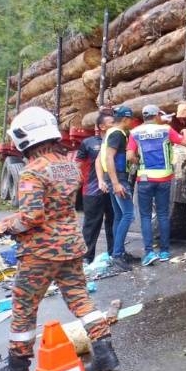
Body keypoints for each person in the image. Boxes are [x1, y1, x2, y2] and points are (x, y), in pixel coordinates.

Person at [0, 107, 120, 371]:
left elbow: (32, 217)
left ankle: (17, 369)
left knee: (23, 307)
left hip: (40, 253)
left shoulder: (32, 171)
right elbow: (56, 208)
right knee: (80, 299)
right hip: (70, 244)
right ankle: (105, 353)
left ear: (24, 138)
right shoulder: (67, 165)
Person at [127, 104, 186, 266]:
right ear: (156, 116)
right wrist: (185, 131)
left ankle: (149, 252)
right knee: (162, 214)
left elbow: (129, 156)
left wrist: (138, 162)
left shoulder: (135, 132)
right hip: (164, 178)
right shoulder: (166, 130)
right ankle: (164, 251)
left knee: (146, 216)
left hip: (145, 179)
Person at [100, 105, 139, 271]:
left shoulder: (111, 132)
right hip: (118, 178)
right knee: (129, 215)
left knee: (119, 215)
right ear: (126, 119)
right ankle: (117, 256)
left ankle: (120, 252)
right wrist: (116, 183)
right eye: (131, 119)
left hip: (112, 178)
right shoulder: (117, 134)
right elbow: (109, 158)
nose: (132, 122)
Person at [75, 113, 115, 264]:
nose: (115, 124)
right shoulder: (88, 143)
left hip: (112, 189)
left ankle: (114, 254)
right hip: (92, 191)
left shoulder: (117, 140)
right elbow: (78, 166)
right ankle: (86, 257)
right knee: (91, 225)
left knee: (113, 222)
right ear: (102, 126)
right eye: (112, 122)